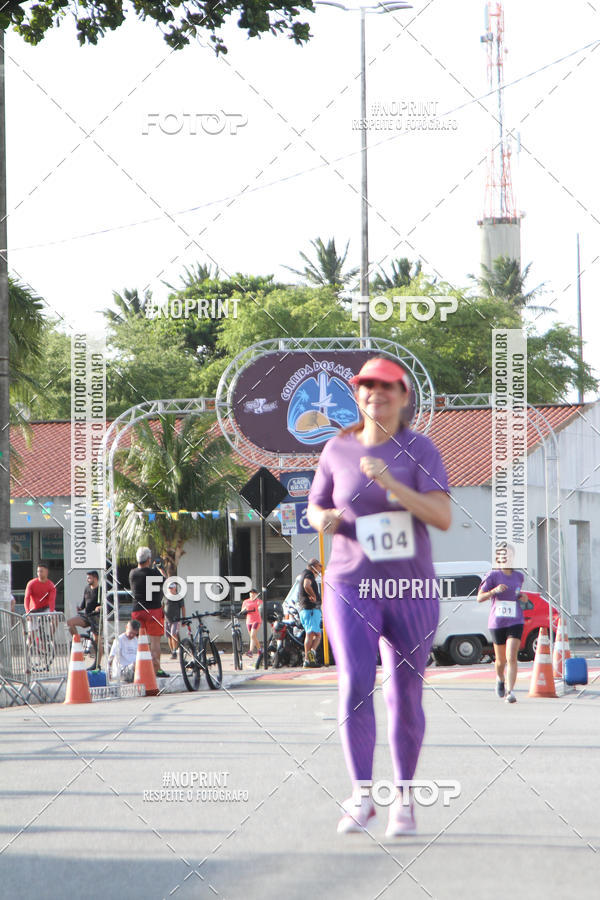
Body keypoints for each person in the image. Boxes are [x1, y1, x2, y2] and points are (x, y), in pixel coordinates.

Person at [307, 357, 451, 837]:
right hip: (350, 584)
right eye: (366, 387)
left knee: (405, 693)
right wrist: (320, 518)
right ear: (358, 394)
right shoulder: (336, 448)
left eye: (386, 387)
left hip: (410, 588)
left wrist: (390, 483)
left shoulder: (421, 449)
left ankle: (403, 801)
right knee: (353, 683)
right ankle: (362, 796)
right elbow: (315, 503)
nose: (376, 395)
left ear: (404, 395)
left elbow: (441, 516)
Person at [477, 548, 526, 704]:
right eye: (504, 556)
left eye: (510, 555)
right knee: (501, 661)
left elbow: (518, 595)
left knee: (512, 656)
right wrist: (494, 591)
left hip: (516, 620)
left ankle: (510, 691)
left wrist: (522, 597)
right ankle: (500, 678)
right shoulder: (492, 575)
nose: (507, 558)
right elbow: (479, 597)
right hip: (497, 621)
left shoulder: (519, 576)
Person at [129, 547, 169, 678]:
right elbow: (165, 583)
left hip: (137, 610)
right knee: (155, 642)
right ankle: (156, 669)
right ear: (148, 559)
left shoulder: (132, 573)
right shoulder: (154, 573)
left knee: (139, 643)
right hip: (153, 610)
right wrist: (160, 570)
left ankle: (139, 669)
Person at [67, 570, 103, 671]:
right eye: (87, 578)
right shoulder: (87, 588)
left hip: (96, 617)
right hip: (86, 616)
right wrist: (80, 607)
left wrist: (100, 607)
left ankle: (97, 664)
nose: (87, 580)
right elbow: (84, 602)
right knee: (70, 623)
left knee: (97, 640)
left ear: (95, 578)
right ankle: (78, 643)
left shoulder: (100, 590)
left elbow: (106, 604)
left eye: (89, 578)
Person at [297, 558, 323, 668]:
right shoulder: (309, 575)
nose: (320, 570)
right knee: (313, 634)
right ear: (313, 567)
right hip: (310, 609)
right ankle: (308, 659)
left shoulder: (304, 573)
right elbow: (307, 585)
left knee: (315, 634)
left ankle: (310, 657)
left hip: (306, 609)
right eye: (319, 567)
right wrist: (313, 595)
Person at [24, 563, 57, 648]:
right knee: (31, 635)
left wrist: (51, 613)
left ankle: (50, 637)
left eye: (41, 571)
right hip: (33, 610)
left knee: (55, 617)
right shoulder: (31, 583)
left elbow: (51, 600)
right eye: (38, 571)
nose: (39, 573)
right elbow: (27, 598)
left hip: (45, 608)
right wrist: (27, 612)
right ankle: (27, 652)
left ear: (46, 572)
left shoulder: (51, 585)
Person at [164, 581, 185, 659]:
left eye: (171, 588)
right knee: (169, 636)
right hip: (167, 620)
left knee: (174, 634)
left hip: (176, 619)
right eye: (169, 588)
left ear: (175, 588)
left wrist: (183, 618)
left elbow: (183, 608)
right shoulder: (165, 597)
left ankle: (174, 651)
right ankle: (172, 651)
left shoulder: (179, 597)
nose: (170, 589)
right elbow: (162, 606)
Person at [240, 589, 262, 658]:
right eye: (251, 593)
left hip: (256, 620)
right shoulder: (246, 601)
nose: (252, 594)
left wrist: (259, 606)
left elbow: (261, 609)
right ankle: (258, 650)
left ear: (256, 594)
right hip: (249, 620)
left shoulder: (259, 601)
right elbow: (242, 611)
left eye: (253, 593)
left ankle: (253, 651)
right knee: (252, 637)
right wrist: (245, 609)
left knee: (253, 635)